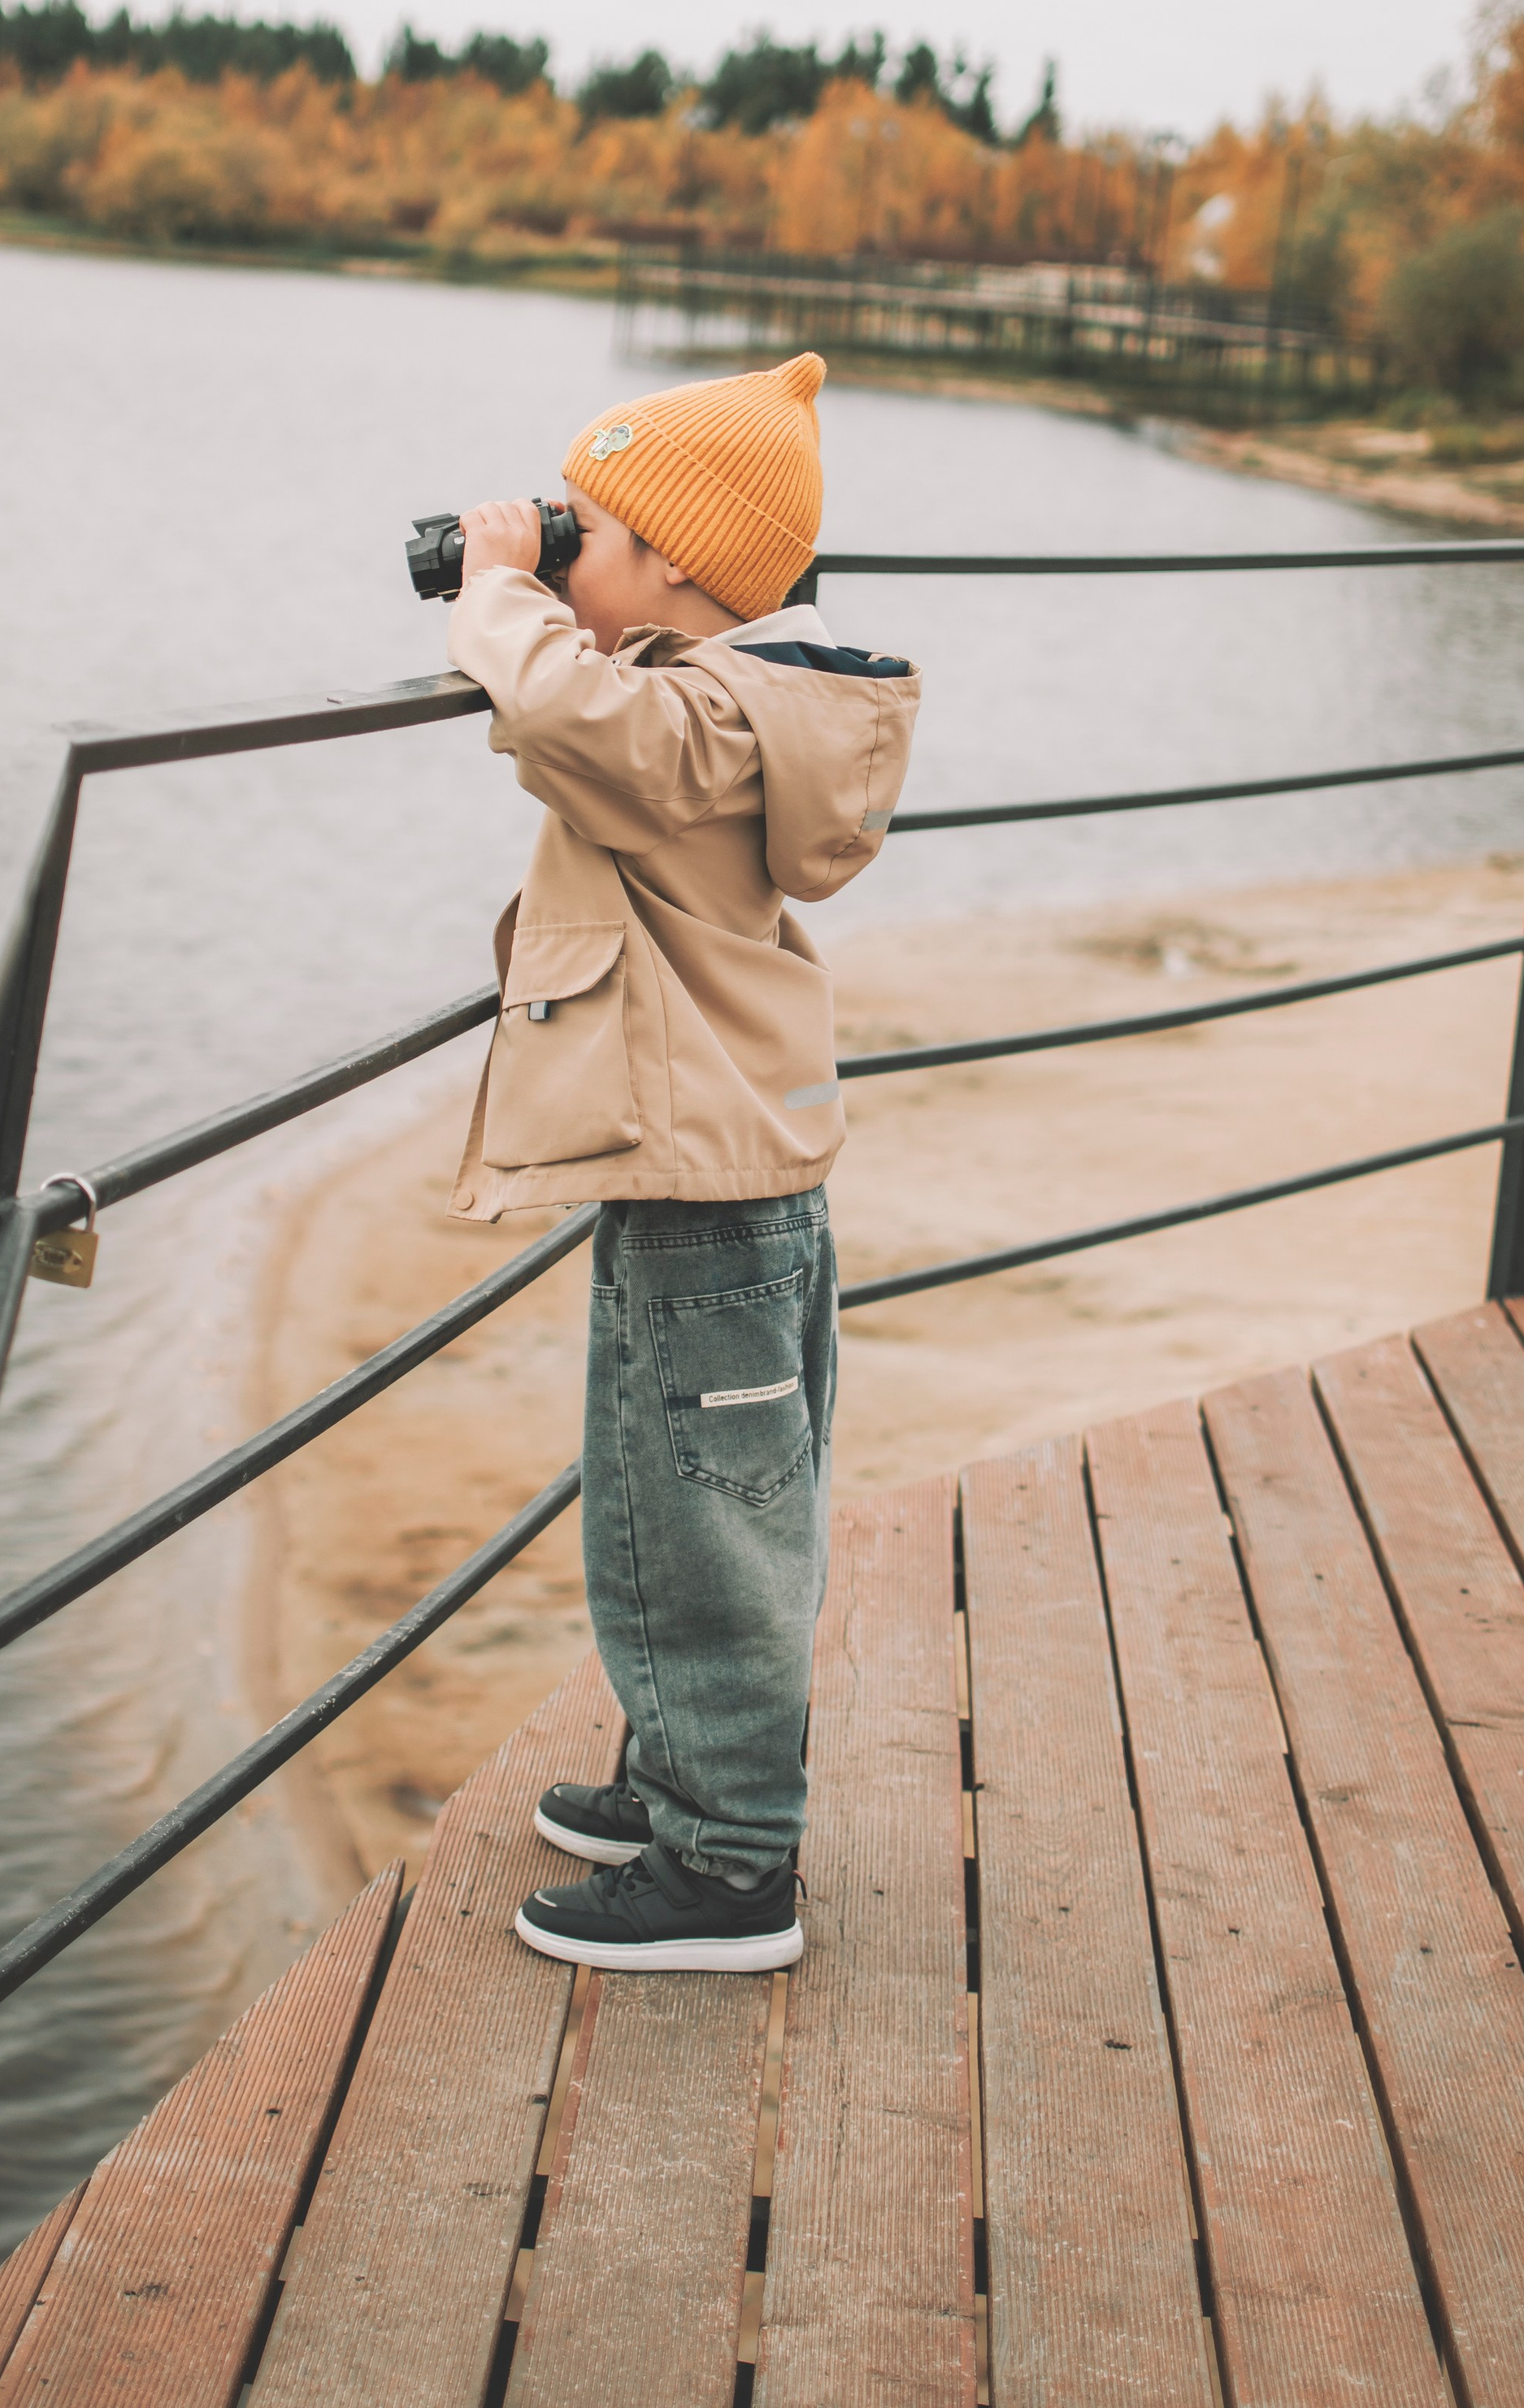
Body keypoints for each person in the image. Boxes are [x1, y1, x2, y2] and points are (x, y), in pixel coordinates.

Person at [444, 349, 920, 1972]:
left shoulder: (702, 717)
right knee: (680, 1494)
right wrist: (545, 598)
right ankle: (678, 1778)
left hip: (710, 1184)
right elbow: (599, 714)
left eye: (587, 526)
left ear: (667, 567)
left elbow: (588, 725)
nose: (560, 545)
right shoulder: (738, 695)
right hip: (718, 1168)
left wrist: (500, 591)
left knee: (706, 1520)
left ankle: (727, 1872)